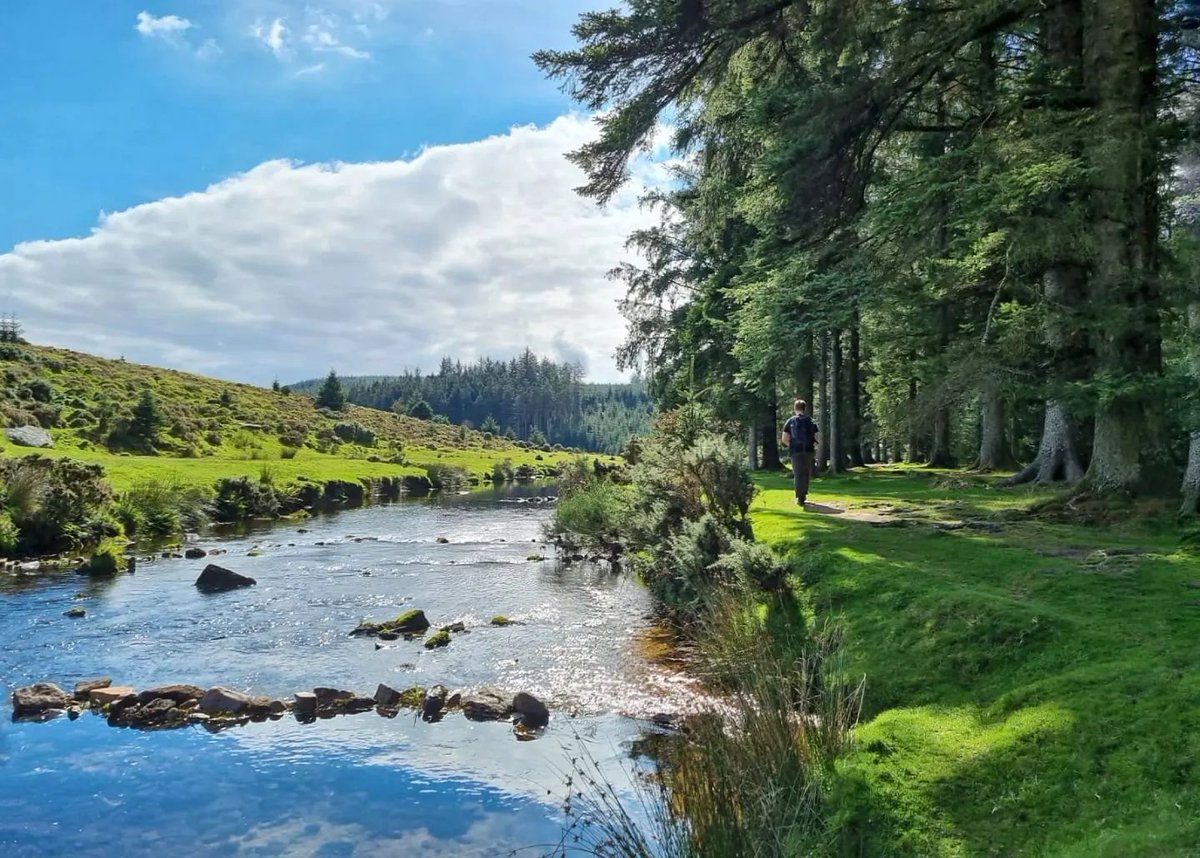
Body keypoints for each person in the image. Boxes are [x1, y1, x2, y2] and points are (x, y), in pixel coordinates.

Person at [781, 399, 819, 506]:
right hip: (808, 450)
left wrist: (791, 445)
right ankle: (804, 494)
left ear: (795, 408)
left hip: (795, 451)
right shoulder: (811, 421)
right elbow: (817, 437)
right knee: (806, 473)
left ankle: (799, 496)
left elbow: (784, 438)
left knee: (798, 473)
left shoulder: (790, 421)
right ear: (804, 408)